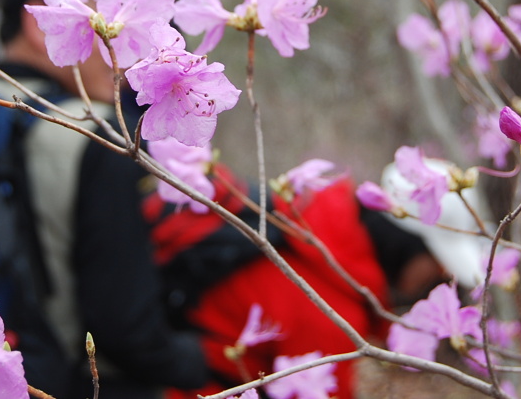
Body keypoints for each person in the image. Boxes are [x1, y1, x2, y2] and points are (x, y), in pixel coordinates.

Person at [0, 0, 208, 399]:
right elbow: (124, 327)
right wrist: (194, 360)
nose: (126, 57)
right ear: (41, 24)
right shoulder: (96, 135)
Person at [144, 164, 446, 399]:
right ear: (409, 244)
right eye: (438, 261)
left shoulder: (313, 221)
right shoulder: (330, 314)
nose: (443, 274)